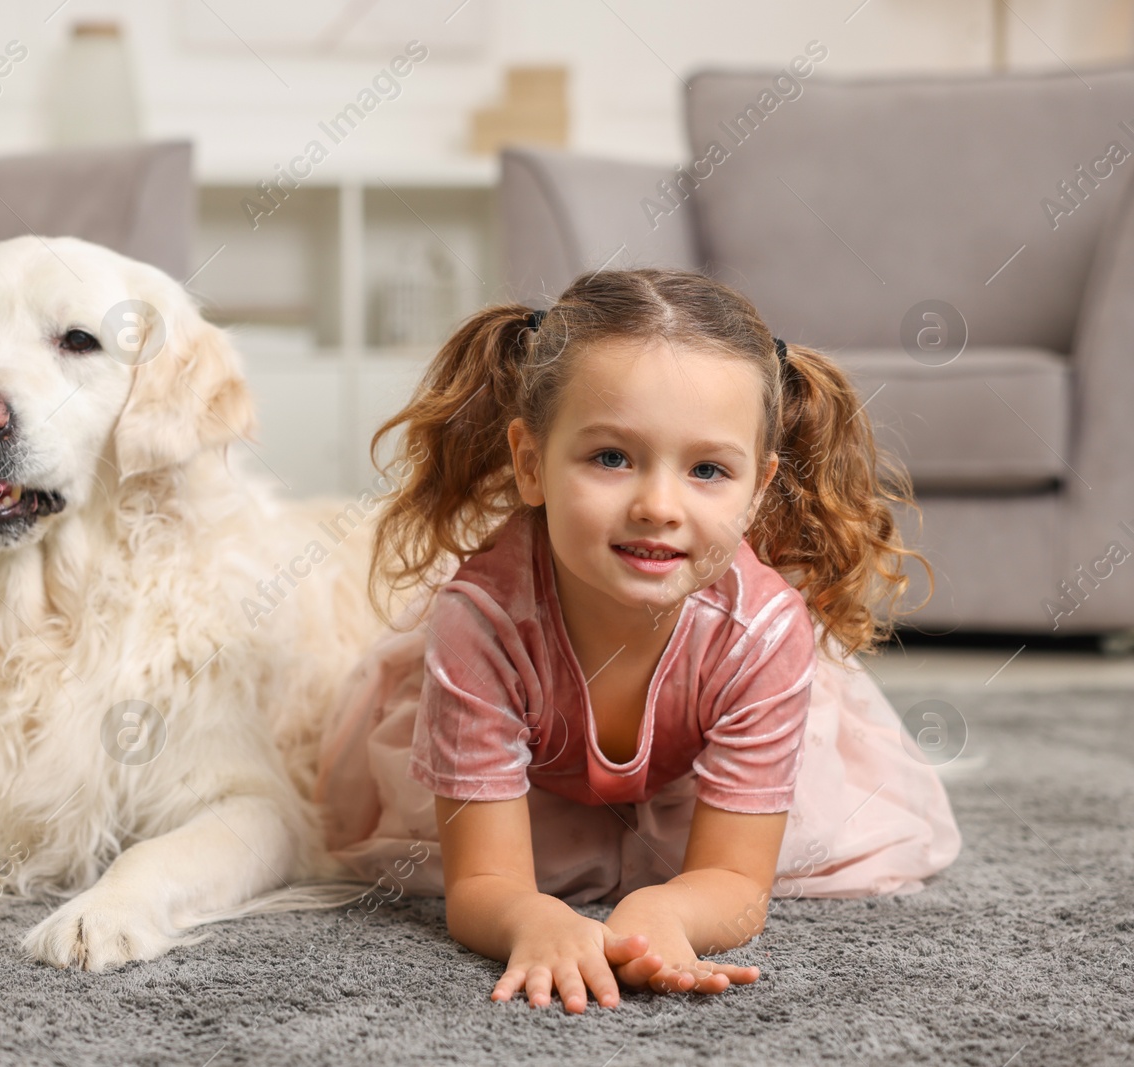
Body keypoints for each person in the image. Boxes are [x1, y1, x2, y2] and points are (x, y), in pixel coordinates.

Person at [314, 268, 961, 1013]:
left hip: (690, 774)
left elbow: (737, 882)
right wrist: (535, 917)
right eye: (612, 458)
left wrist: (670, 910)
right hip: (538, 781)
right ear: (531, 464)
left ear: (757, 491)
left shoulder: (763, 632)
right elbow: (481, 883)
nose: (658, 506)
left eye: (708, 469)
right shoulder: (484, 621)